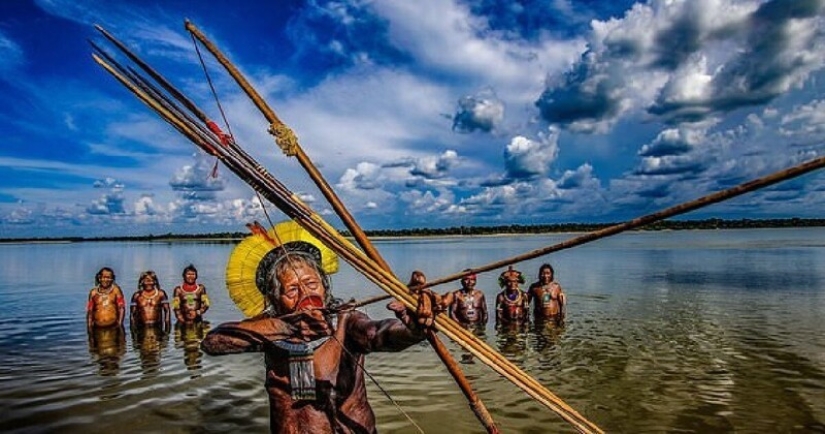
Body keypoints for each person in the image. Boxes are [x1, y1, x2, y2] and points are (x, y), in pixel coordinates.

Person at [201, 239, 436, 434]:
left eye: (311, 283)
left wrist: (413, 328)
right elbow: (212, 342)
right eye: (292, 289)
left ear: (324, 285)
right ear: (274, 299)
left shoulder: (346, 320)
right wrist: (288, 327)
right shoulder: (267, 329)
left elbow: (379, 334)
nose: (305, 293)